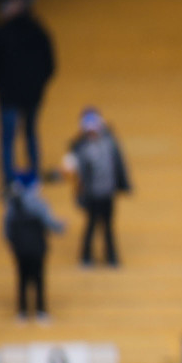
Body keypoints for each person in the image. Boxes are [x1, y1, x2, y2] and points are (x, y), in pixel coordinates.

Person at [0, 0, 55, 188]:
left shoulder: (2, 32)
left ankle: (11, 181)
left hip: (10, 96)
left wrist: (0, 85)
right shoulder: (38, 31)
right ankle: (31, 175)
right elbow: (49, 65)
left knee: (11, 137)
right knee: (28, 133)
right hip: (29, 94)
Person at [63, 108, 131, 267]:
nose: (92, 133)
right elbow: (72, 170)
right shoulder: (80, 148)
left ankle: (112, 257)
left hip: (107, 193)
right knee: (91, 226)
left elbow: (119, 164)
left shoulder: (110, 142)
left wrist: (124, 184)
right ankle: (86, 257)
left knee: (108, 227)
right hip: (91, 195)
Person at [3, 173, 63, 322]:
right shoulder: (39, 204)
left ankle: (22, 311)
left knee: (22, 279)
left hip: (20, 249)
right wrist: (62, 227)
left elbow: (6, 229)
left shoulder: (13, 204)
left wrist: (13, 244)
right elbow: (50, 223)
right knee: (38, 279)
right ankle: (40, 310)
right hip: (37, 247)